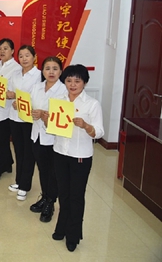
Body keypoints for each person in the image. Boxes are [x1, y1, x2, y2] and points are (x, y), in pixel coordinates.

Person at [51, 64, 104, 252]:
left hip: (80, 155)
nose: (72, 85)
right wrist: (47, 118)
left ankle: (73, 235)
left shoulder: (92, 104)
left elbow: (99, 132)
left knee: (76, 195)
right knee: (63, 193)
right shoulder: (59, 100)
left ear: (85, 83)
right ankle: (61, 227)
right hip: (60, 152)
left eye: (77, 81)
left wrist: (86, 126)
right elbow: (53, 125)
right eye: (69, 80)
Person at [28, 56, 67, 222]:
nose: (51, 72)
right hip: (37, 135)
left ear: (60, 71)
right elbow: (30, 105)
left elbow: (63, 115)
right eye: (47, 68)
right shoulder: (37, 87)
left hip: (53, 138)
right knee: (42, 169)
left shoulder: (64, 91)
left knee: (53, 172)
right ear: (42, 71)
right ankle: (44, 197)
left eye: (55, 69)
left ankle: (50, 202)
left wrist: (45, 115)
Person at [8, 45, 41, 201]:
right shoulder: (15, 74)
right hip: (15, 116)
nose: (24, 59)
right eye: (21, 56)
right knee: (19, 150)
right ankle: (18, 180)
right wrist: (10, 95)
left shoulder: (39, 75)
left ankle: (25, 185)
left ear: (34, 57)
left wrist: (20, 100)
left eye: (27, 55)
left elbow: (38, 97)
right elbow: (10, 92)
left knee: (29, 152)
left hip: (29, 119)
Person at [0, 38, 21, 182]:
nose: (2, 51)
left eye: (5, 48)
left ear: (12, 51)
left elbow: (16, 89)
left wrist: (4, 90)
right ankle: (8, 163)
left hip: (6, 110)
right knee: (3, 140)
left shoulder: (17, 68)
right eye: (0, 48)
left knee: (2, 141)